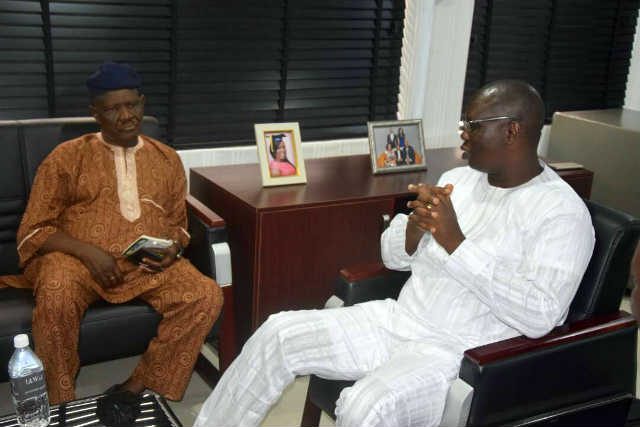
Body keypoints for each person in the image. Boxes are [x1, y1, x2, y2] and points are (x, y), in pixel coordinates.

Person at [194, 80, 595, 427]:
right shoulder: (459, 179)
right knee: (278, 334)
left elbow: (541, 315)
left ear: (512, 131)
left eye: (472, 125)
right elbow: (392, 257)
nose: (463, 134)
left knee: (366, 407)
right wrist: (413, 232)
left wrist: (457, 244)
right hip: (397, 321)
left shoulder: (560, 213)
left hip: (457, 354)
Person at [5, 62, 223, 407]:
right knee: (57, 289)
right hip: (76, 264)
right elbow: (34, 230)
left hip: (144, 266)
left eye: (132, 105)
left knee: (204, 294)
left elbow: (179, 224)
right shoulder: (65, 158)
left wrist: (174, 249)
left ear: (142, 103)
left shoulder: (166, 159)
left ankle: (138, 385)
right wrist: (88, 253)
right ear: (95, 113)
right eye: (113, 108)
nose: (126, 116)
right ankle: (62, 401)